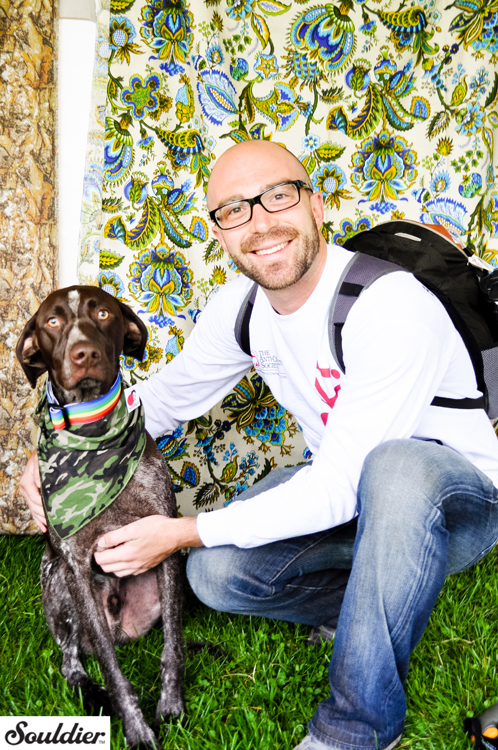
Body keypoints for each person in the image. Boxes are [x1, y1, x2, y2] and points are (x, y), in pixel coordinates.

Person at [20, 140, 498, 750]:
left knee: (395, 468)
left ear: (316, 207)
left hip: (451, 501)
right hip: (347, 493)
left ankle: (356, 725)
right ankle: (363, 602)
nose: (260, 222)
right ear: (220, 232)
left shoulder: (391, 304)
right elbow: (164, 400)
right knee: (214, 575)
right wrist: (58, 449)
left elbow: (340, 485)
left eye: (278, 196)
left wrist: (184, 530)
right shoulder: (242, 308)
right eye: (235, 210)